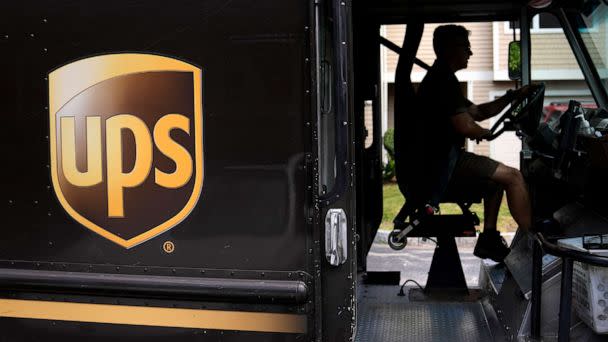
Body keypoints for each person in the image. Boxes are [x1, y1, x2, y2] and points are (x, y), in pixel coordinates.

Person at [415, 25, 534, 262]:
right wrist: (485, 133)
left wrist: (512, 97)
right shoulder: (443, 81)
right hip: (443, 165)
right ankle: (537, 243)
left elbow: (477, 112)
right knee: (514, 177)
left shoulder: (443, 78)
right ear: (449, 49)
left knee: (495, 182)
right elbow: (466, 126)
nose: (470, 53)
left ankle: (489, 239)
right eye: (465, 47)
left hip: (442, 162)